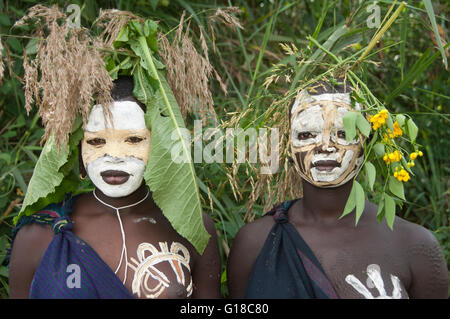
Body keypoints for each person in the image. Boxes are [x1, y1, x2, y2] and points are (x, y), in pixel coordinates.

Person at [227, 81, 448, 299]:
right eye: (306, 135)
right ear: (288, 147)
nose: (325, 145)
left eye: (344, 134)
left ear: (368, 144)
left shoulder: (414, 245)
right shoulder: (254, 242)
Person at [8, 77, 221, 299]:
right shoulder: (40, 233)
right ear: (78, 148)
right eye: (97, 141)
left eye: (134, 139)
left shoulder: (193, 228)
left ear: (160, 144)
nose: (114, 157)